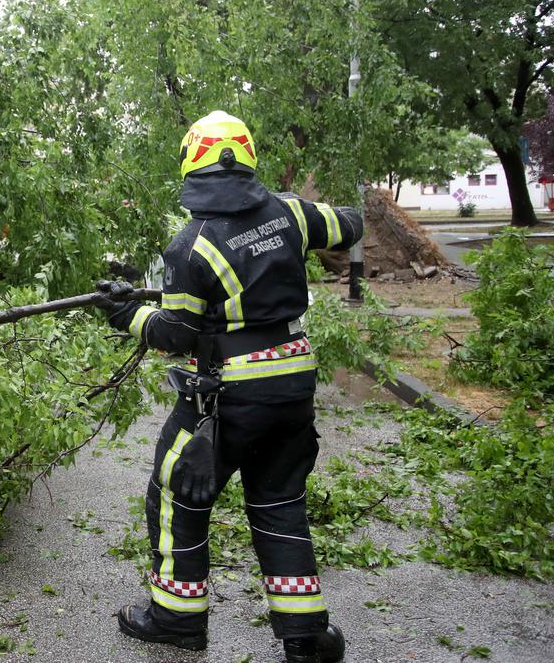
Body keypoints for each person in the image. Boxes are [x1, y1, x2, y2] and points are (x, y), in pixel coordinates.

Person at [96, 110, 362, 663]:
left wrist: (124, 313)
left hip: (228, 397)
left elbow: (175, 334)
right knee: (279, 501)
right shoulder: (292, 212)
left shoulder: (190, 245)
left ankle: (175, 619)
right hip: (292, 386)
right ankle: (305, 637)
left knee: (177, 491)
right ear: (247, 159)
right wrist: (300, 228)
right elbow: (350, 225)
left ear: (192, 166)